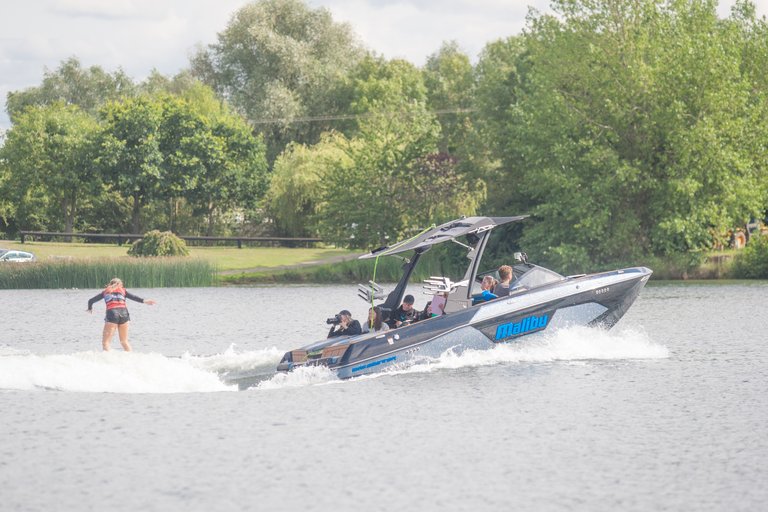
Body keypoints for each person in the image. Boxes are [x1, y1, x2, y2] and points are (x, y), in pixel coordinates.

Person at [86, 277, 156, 351]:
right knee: (124, 341)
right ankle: (131, 359)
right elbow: (134, 297)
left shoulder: (105, 292)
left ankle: (108, 361)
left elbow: (90, 301)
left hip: (112, 314)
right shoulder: (123, 290)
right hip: (124, 314)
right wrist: (145, 301)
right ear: (120, 285)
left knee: (106, 343)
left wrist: (90, 308)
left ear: (110, 284)